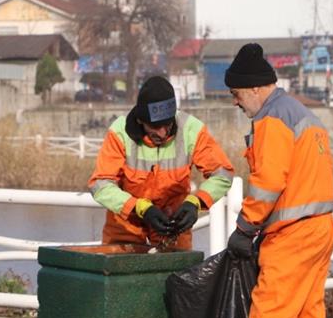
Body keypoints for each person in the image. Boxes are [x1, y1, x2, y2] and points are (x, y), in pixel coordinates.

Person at [216, 43, 333, 318]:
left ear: (253, 89)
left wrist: (244, 228)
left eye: (235, 94)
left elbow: (268, 183)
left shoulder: (271, 120)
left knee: (269, 311)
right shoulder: (305, 116)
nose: (236, 103)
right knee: (307, 313)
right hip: (320, 227)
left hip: (292, 234)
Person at [88, 75, 234, 250]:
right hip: (127, 223)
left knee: (176, 276)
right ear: (140, 121)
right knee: (119, 275)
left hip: (174, 226)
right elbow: (100, 184)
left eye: (168, 124)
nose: (163, 133)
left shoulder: (191, 129)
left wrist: (195, 202)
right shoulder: (119, 133)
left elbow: (222, 173)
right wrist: (139, 207)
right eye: (155, 127)